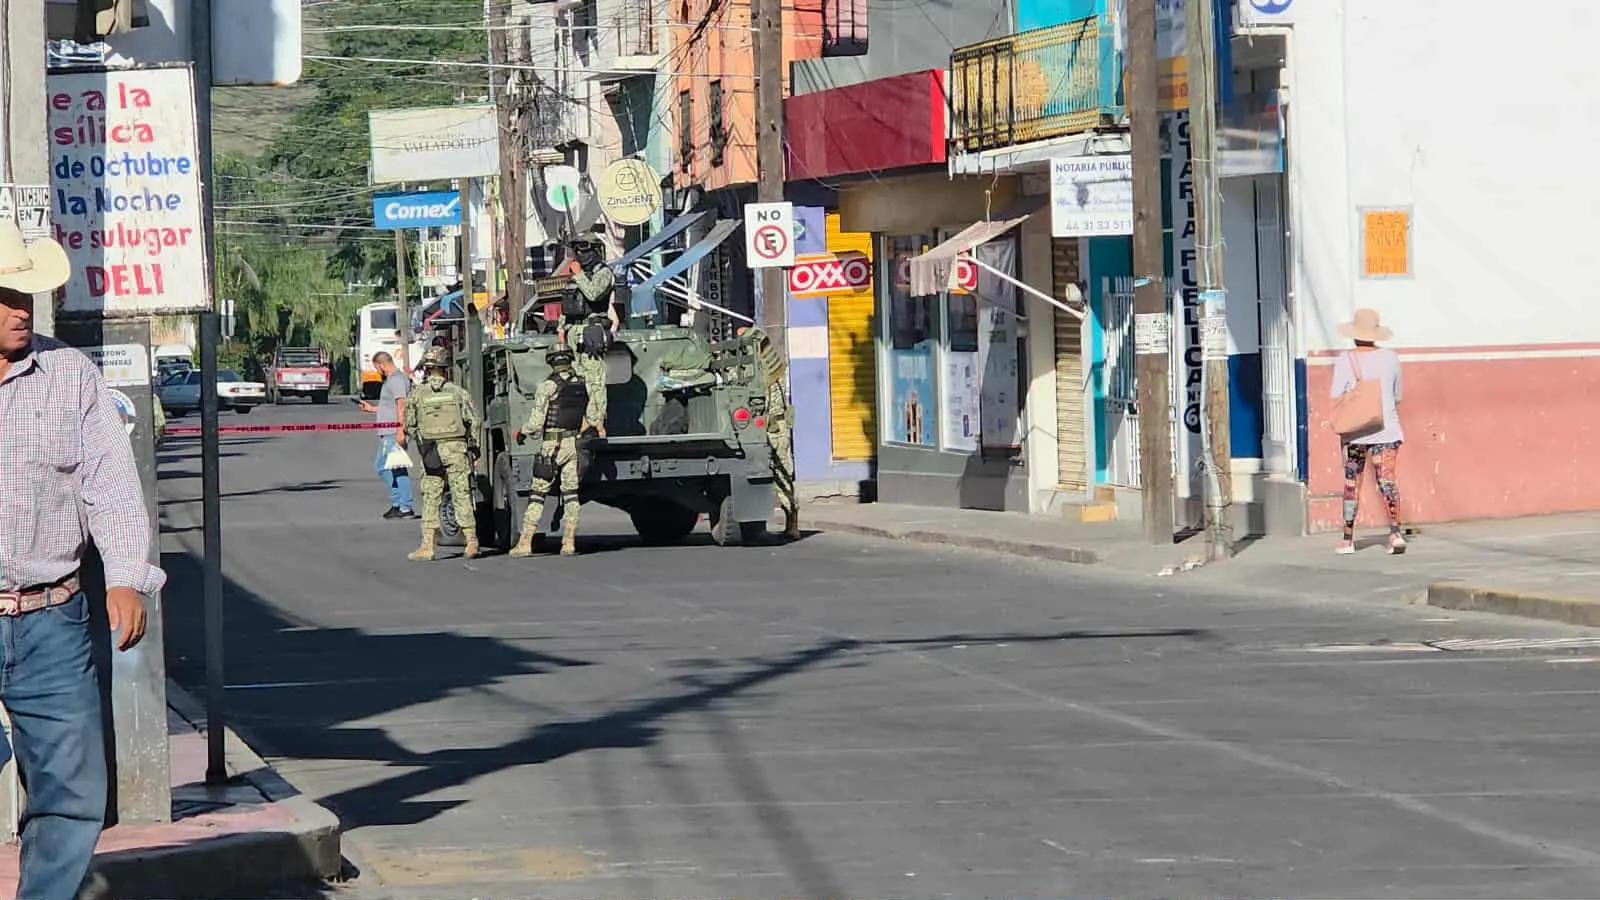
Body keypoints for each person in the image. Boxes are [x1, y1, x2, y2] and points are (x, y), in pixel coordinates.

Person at [0, 220, 159, 899]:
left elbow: (112, 485)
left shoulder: (71, 375)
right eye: (4, 294)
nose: (20, 309)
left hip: (51, 619)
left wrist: (125, 576)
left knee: (71, 793)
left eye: (28, 296)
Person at [1331, 307, 1406, 555]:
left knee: (1352, 483)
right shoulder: (1391, 358)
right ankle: (1395, 534)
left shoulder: (1344, 360)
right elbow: (1397, 396)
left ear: (1354, 334)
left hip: (1354, 432)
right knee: (1387, 480)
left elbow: (1336, 396)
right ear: (1375, 334)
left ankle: (1347, 539)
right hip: (1386, 429)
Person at [401, 347, 482, 561]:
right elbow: (474, 421)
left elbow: (408, 424)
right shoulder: (458, 392)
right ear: (445, 369)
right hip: (456, 449)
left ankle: (427, 546)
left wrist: (422, 439)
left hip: (432, 451)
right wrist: (474, 447)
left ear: (427, 369)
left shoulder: (417, 394)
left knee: (431, 496)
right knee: (461, 493)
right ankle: (472, 540)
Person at [509, 347, 590, 558]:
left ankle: (526, 542)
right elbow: (590, 416)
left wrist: (522, 431)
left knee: (537, 494)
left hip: (552, 446)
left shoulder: (547, 386)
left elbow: (536, 423)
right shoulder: (582, 384)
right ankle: (569, 541)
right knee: (571, 495)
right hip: (574, 444)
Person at [740, 326, 799, 540]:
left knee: (782, 475)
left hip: (775, 430)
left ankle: (792, 523)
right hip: (767, 429)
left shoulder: (769, 376)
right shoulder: (772, 370)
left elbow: (764, 405)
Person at [556, 236, 616, 436]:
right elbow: (569, 302)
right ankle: (580, 420)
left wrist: (580, 275)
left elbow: (593, 294)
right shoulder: (576, 273)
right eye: (577, 251)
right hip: (574, 332)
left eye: (583, 250)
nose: (580, 255)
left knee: (594, 380)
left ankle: (595, 421)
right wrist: (561, 329)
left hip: (591, 331)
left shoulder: (603, 273)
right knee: (576, 379)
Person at [358, 351, 415, 520]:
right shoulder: (392, 379)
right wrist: (373, 409)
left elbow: (401, 405)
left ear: (382, 364)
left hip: (393, 431)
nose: (378, 371)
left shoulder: (396, 379)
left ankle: (403, 505)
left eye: (377, 368)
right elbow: (390, 405)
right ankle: (400, 505)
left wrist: (400, 429)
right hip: (388, 430)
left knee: (389, 466)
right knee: (392, 466)